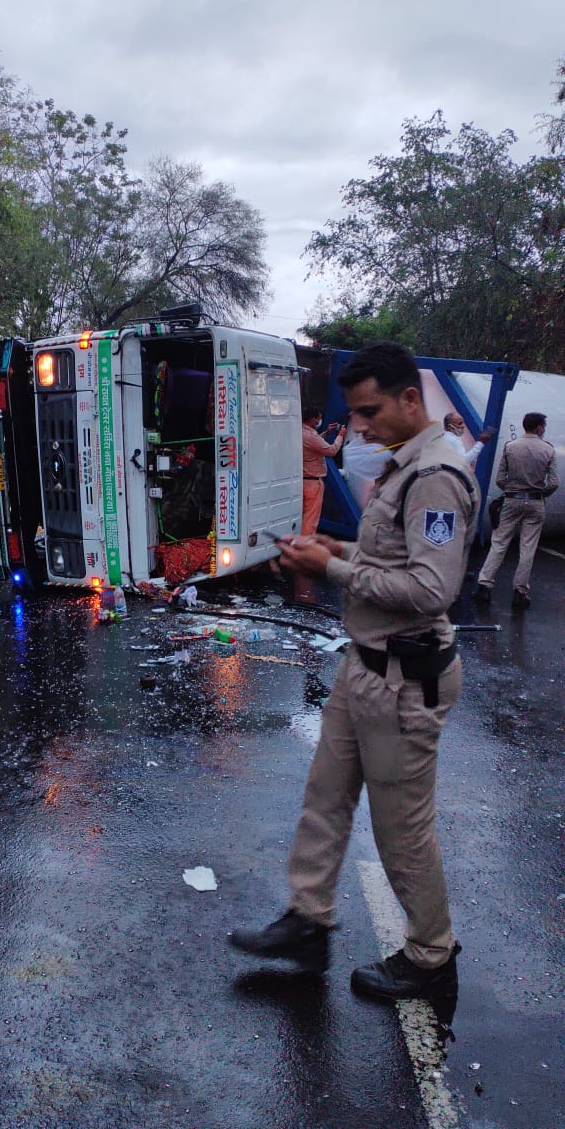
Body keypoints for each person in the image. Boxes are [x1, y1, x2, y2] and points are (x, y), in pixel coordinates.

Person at [229, 341, 479, 1001]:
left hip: (405, 678)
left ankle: (431, 956)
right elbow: (388, 554)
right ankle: (308, 921)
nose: (359, 427)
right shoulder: (405, 466)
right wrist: (331, 547)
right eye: (355, 413)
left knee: (403, 832)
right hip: (364, 667)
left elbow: (430, 589)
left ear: (408, 400)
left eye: (370, 412)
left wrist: (330, 570)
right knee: (324, 798)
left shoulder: (437, 477)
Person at [474, 412, 558, 609]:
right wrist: (540, 493)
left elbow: (500, 479)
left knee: (500, 542)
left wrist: (511, 490)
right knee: (528, 547)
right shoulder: (548, 450)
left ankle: (484, 586)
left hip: (512, 500)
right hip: (536, 502)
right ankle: (520, 592)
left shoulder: (510, 447)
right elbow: (554, 482)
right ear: (539, 428)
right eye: (543, 426)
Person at [301, 409, 346, 535]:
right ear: (312, 419)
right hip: (313, 483)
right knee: (310, 519)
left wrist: (326, 432)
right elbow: (332, 451)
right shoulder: (310, 436)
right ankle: (305, 547)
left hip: (301, 481)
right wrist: (340, 435)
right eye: (317, 418)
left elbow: (312, 444)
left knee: (300, 517)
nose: (318, 421)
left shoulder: (300, 432)